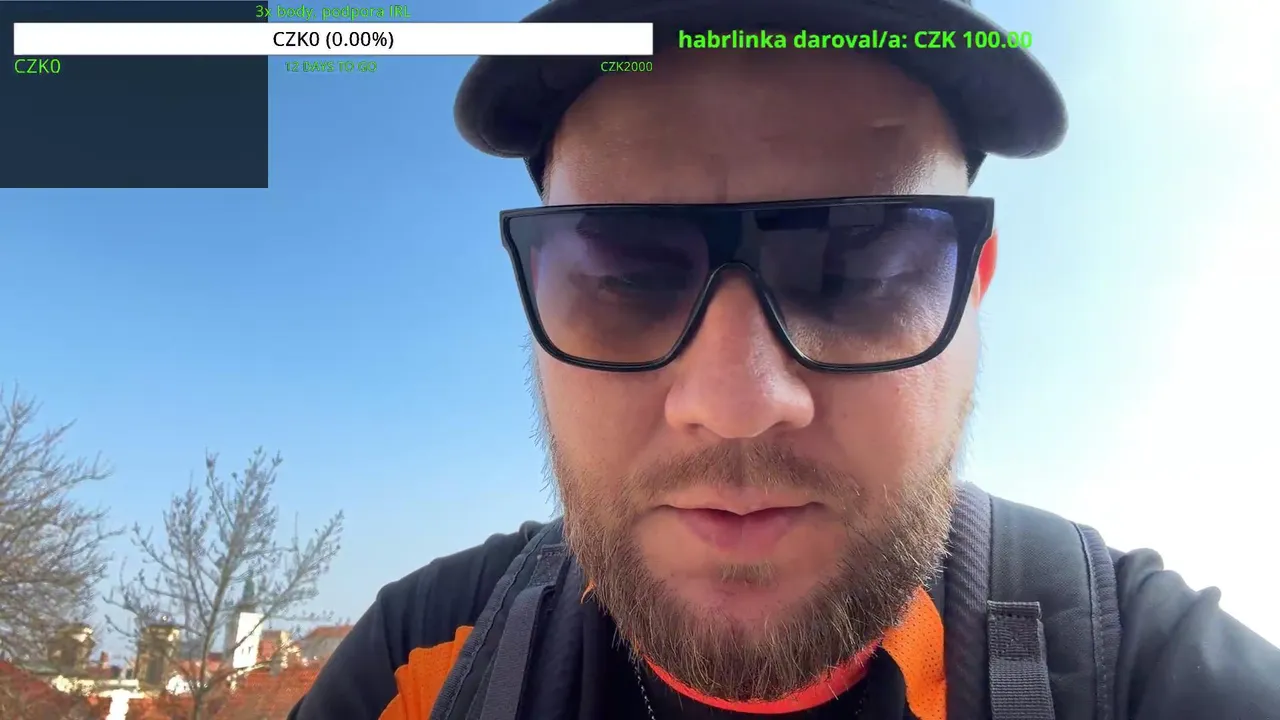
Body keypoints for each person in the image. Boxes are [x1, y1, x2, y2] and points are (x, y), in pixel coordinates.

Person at [288, 0, 1280, 718]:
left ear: (971, 289)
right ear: (536, 296)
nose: (736, 401)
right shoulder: (421, 668)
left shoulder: (1137, 670)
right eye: (627, 276)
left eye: (856, 269)